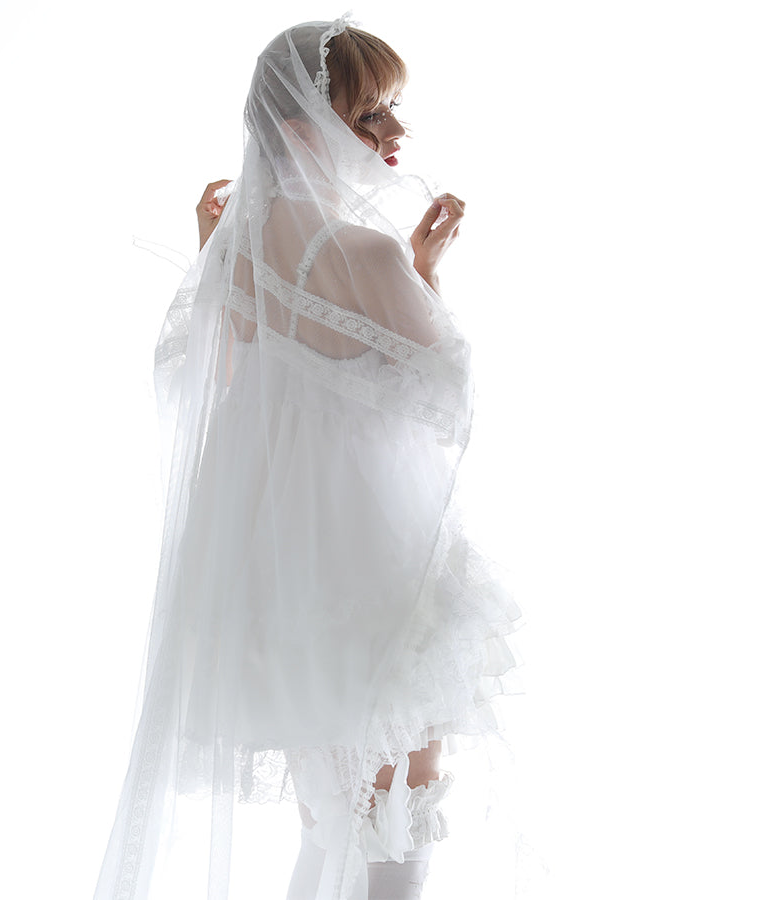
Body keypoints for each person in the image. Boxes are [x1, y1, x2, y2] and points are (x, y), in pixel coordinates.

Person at [95, 16, 522, 900]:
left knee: (334, 818)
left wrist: (216, 249)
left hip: (280, 570)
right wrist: (425, 271)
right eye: (371, 115)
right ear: (301, 129)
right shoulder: (366, 252)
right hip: (374, 559)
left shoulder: (238, 251)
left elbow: (212, 380)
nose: (397, 131)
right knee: (400, 805)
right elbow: (448, 400)